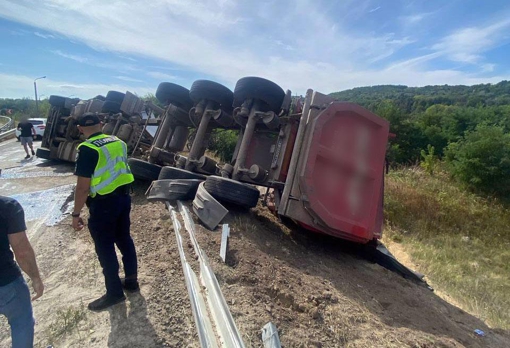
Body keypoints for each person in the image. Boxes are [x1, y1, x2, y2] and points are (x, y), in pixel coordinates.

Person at [71, 112, 139, 311]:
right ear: (101, 124)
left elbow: (83, 187)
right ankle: (132, 281)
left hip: (103, 204)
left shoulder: (87, 149)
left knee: (105, 247)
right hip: (124, 198)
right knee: (124, 239)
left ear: (80, 129)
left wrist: (76, 214)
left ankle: (114, 293)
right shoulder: (119, 142)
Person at [0, 196, 44, 348]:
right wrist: (36, 278)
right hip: (7, 283)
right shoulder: (8, 207)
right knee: (21, 323)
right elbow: (22, 251)